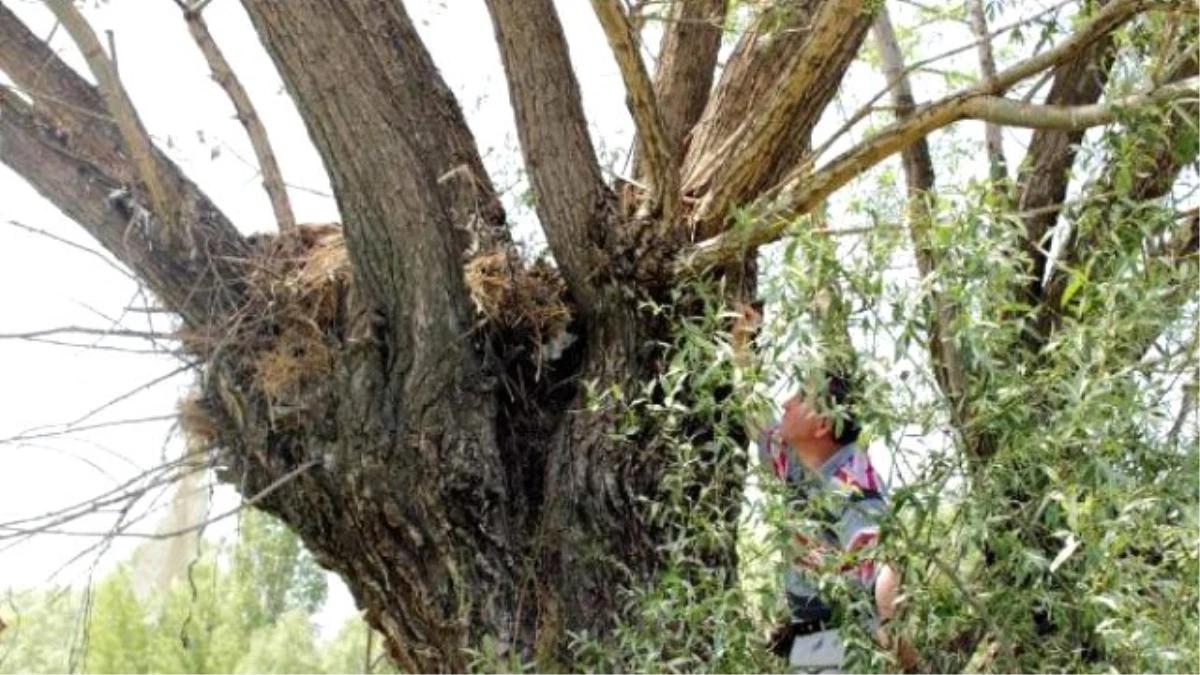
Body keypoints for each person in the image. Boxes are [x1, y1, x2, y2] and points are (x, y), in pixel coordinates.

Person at [732, 304, 908, 673]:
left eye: (799, 398)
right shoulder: (799, 461)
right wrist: (742, 349)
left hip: (845, 638)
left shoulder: (851, 483)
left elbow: (884, 566)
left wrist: (900, 652)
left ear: (824, 424)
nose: (786, 402)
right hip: (813, 633)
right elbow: (753, 415)